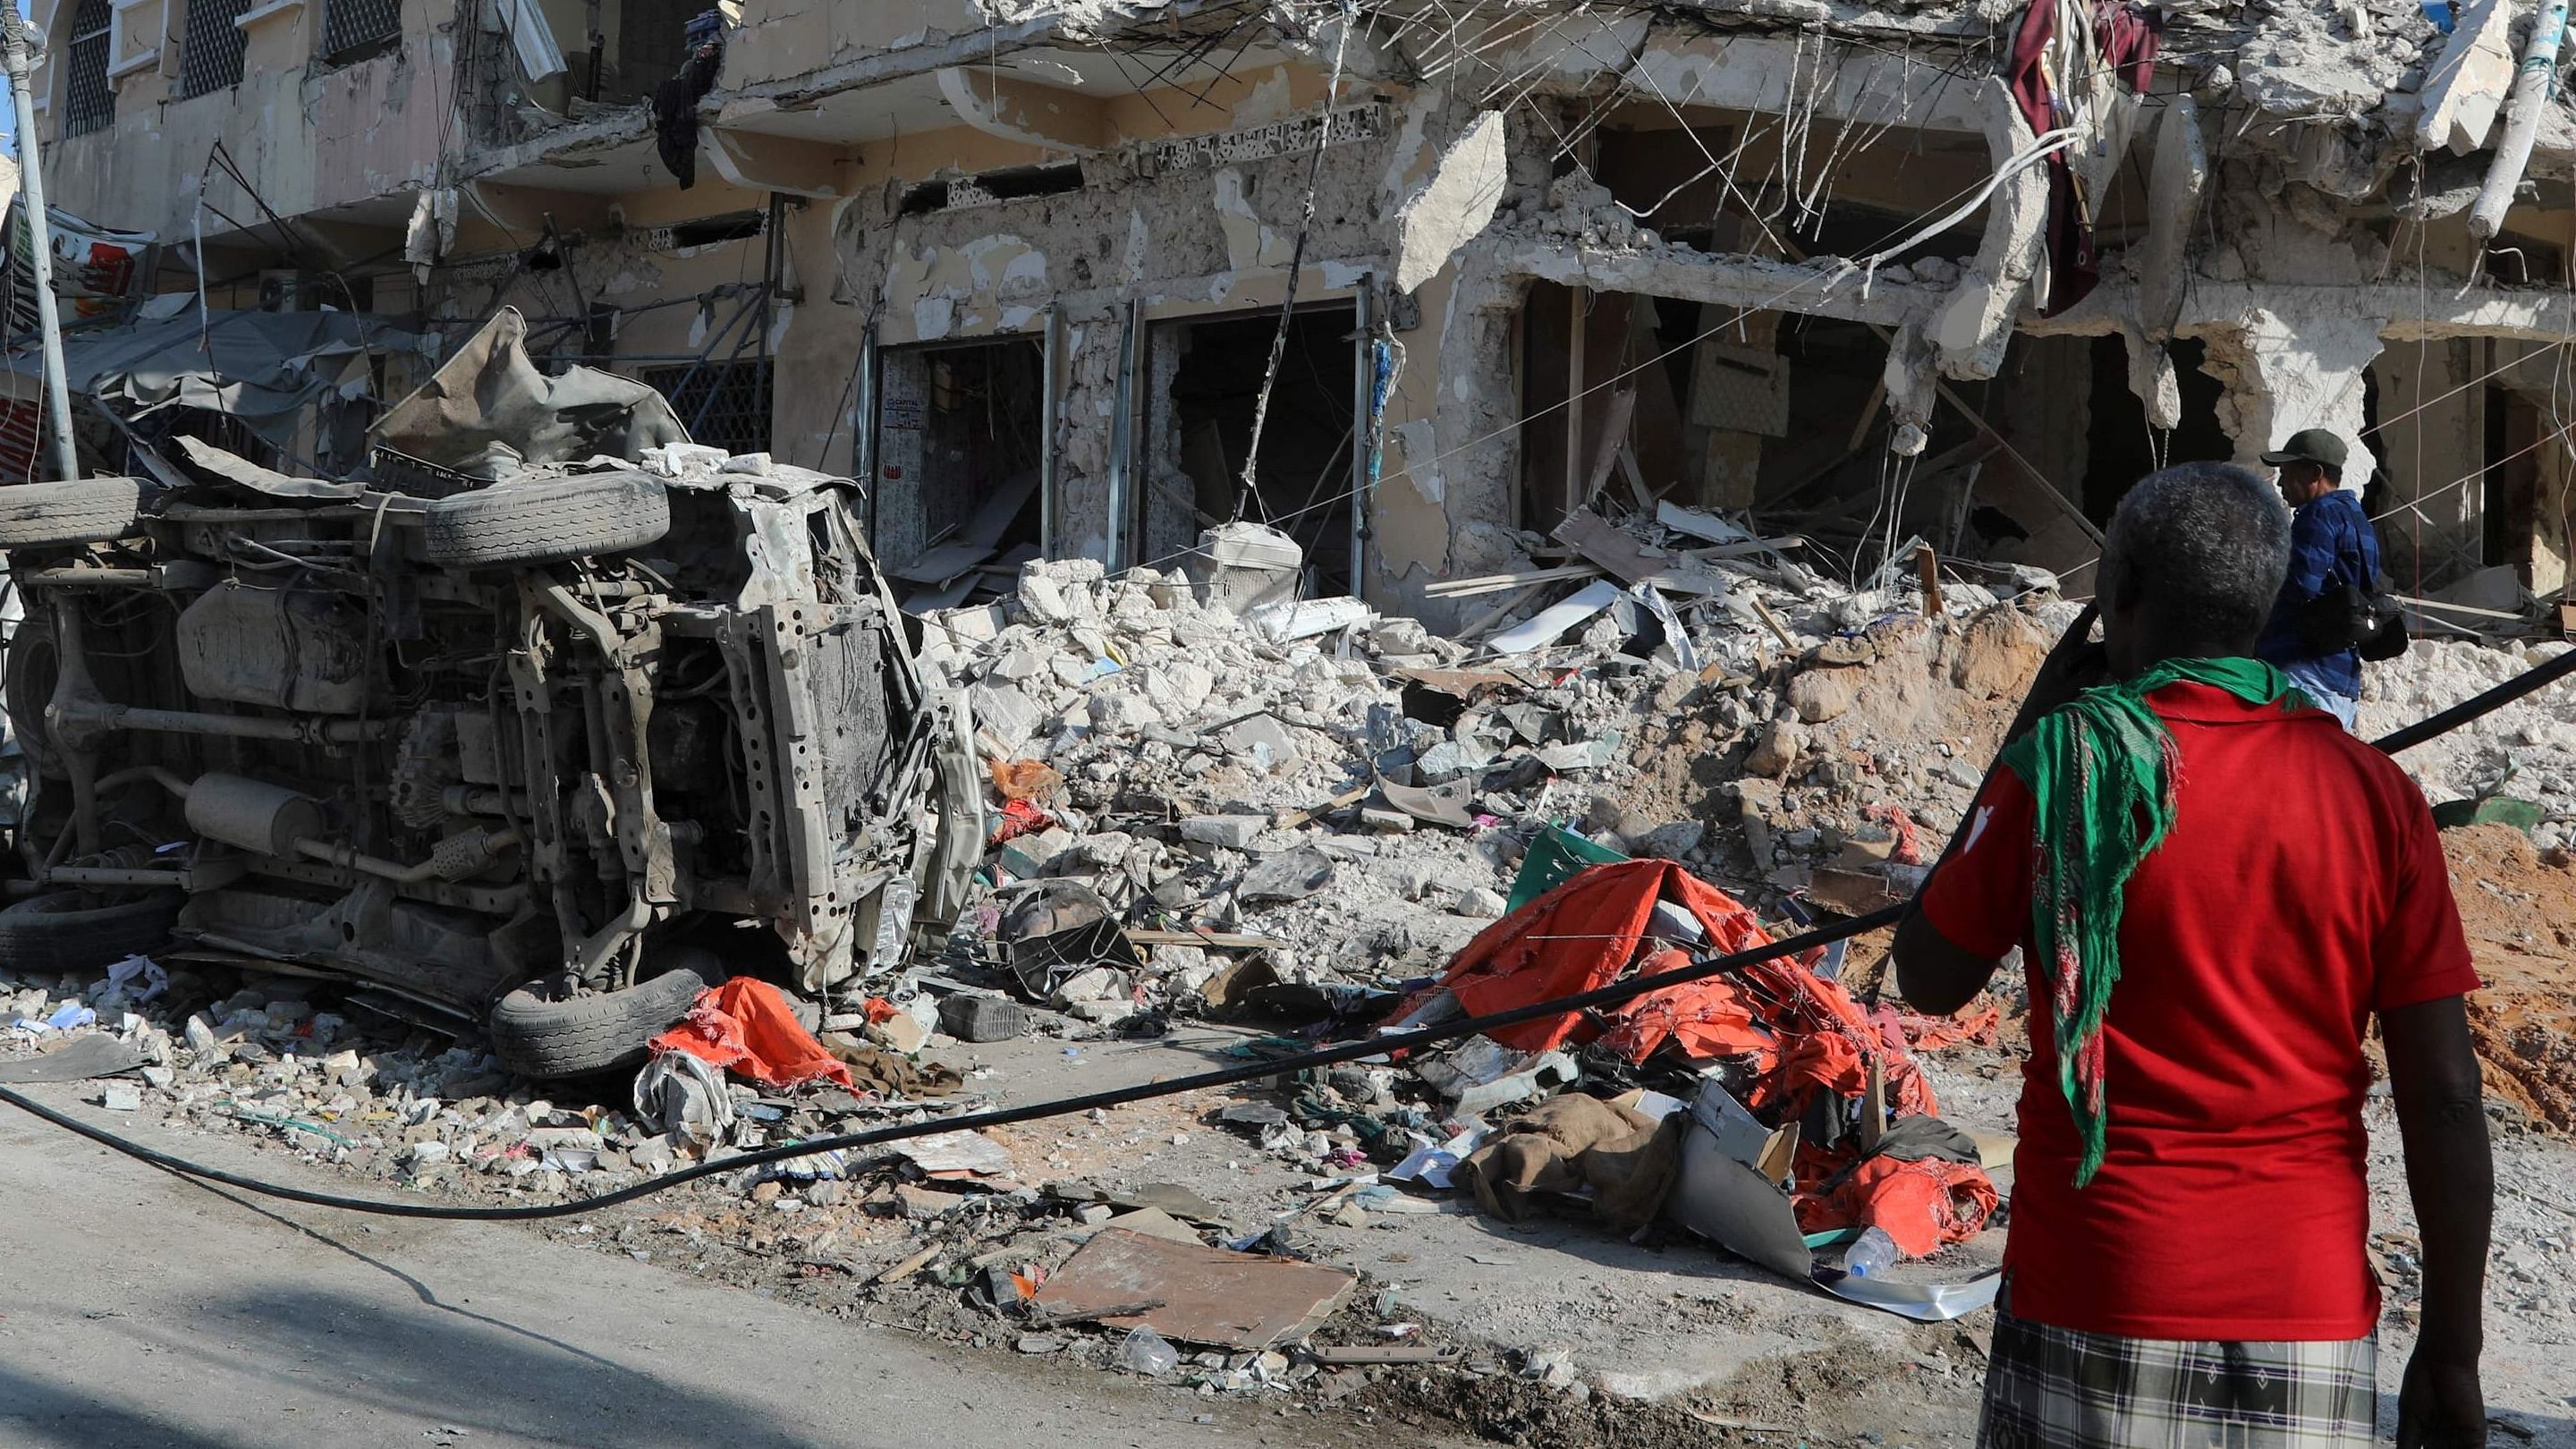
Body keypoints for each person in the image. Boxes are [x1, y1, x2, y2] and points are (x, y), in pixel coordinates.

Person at [1893, 462, 2492, 1449]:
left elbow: (1929, 973)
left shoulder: (2062, 763)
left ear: (2119, 593)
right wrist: (2453, 1350)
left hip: (2096, 1288)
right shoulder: (2375, 794)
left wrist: (2027, 734)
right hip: (2307, 1313)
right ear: (2258, 607)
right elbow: (2445, 1096)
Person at [2255, 428, 2382, 729]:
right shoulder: (2357, 518)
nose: (2282, 482)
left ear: (2315, 473)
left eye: (2287, 473)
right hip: (2340, 680)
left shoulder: (2320, 514)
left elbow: (2300, 585)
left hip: (2303, 673)